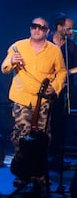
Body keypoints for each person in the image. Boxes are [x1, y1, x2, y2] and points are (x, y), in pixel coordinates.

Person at [1, 17, 66, 187]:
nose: (37, 30)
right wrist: (11, 61)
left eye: (41, 27)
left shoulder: (54, 50)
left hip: (43, 101)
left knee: (42, 138)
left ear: (47, 31)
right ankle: (22, 173)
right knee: (21, 137)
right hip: (21, 98)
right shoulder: (18, 46)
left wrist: (55, 86)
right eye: (34, 26)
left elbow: (61, 72)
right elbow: (5, 68)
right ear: (30, 29)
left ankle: (39, 173)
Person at [47, 13, 77, 169]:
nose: (71, 32)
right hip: (43, 89)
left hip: (62, 90)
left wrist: (66, 74)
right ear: (59, 27)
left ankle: (57, 157)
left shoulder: (71, 47)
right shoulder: (45, 42)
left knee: (59, 122)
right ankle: (42, 155)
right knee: (44, 122)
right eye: (68, 29)